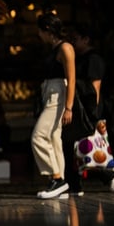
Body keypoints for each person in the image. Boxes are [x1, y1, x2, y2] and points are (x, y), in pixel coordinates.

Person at [62, 24, 114, 196]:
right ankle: (75, 183)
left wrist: (94, 114)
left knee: (89, 146)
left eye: (75, 39)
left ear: (86, 40)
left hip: (90, 109)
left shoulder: (94, 59)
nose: (72, 43)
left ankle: (112, 170)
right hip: (83, 108)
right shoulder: (81, 58)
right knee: (79, 146)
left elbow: (95, 88)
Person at [32, 12, 76, 199]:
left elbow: (71, 78)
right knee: (53, 139)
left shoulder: (65, 48)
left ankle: (57, 179)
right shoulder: (53, 48)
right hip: (50, 94)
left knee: (38, 137)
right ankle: (61, 183)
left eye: (40, 31)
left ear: (47, 30)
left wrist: (69, 107)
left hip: (58, 96)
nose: (39, 35)